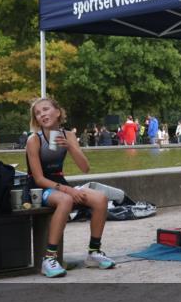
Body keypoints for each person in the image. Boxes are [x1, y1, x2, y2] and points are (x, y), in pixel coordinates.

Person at [26, 97, 115, 278]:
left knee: (101, 199)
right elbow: (39, 178)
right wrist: (69, 190)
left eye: (45, 109)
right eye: (38, 113)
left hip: (60, 183)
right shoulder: (34, 140)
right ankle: (49, 259)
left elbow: (85, 168)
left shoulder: (69, 135)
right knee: (66, 200)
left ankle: (93, 252)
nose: (42, 114)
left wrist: (71, 147)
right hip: (39, 188)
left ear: (58, 112)